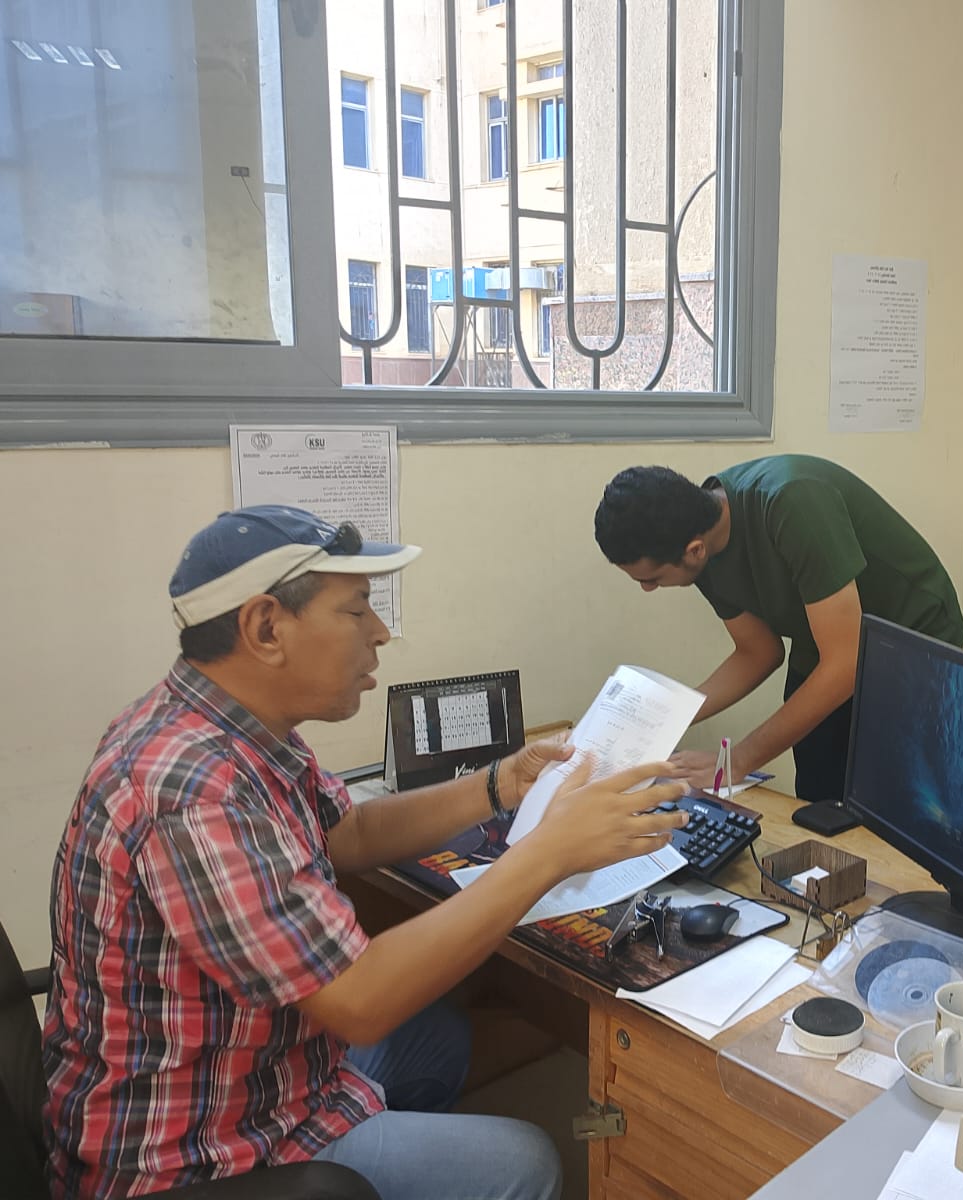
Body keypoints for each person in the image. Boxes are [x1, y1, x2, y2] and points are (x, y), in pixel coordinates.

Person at [42, 505, 689, 1200]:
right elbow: (360, 1003)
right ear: (266, 628)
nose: (380, 631)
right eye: (356, 610)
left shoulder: (228, 726)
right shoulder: (192, 790)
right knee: (525, 1162)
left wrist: (500, 784)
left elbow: (348, 835)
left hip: (272, 1070)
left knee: (441, 1040)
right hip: (196, 1150)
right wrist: (549, 854)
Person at [593, 455, 963, 804]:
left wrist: (737, 760)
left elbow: (845, 664)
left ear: (694, 550)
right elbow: (758, 652)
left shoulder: (793, 503)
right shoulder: (700, 541)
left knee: (891, 798)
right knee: (820, 793)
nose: (648, 589)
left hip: (911, 635)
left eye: (652, 578)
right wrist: (663, 719)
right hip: (826, 644)